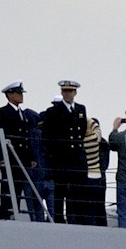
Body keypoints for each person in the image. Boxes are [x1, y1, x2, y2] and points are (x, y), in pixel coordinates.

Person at [41, 79, 88, 224]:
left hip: (77, 159)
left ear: (75, 93)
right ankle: (59, 219)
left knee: (76, 192)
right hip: (61, 159)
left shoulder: (80, 109)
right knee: (60, 192)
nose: (67, 94)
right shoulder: (53, 111)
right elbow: (48, 136)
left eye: (70, 91)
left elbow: (82, 131)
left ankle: (75, 219)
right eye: (65, 91)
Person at [0, 80, 36, 220]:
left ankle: (13, 214)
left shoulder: (23, 114)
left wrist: (31, 157)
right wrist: (1, 158)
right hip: (10, 157)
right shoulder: (1, 113)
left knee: (18, 190)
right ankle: (5, 216)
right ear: (10, 95)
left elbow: (26, 138)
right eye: (18, 93)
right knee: (8, 190)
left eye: (21, 93)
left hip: (21, 159)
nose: (21, 96)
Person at [82, 117, 108, 227]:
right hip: (101, 178)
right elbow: (105, 163)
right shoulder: (103, 142)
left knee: (88, 207)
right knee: (100, 206)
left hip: (88, 177)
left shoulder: (84, 141)